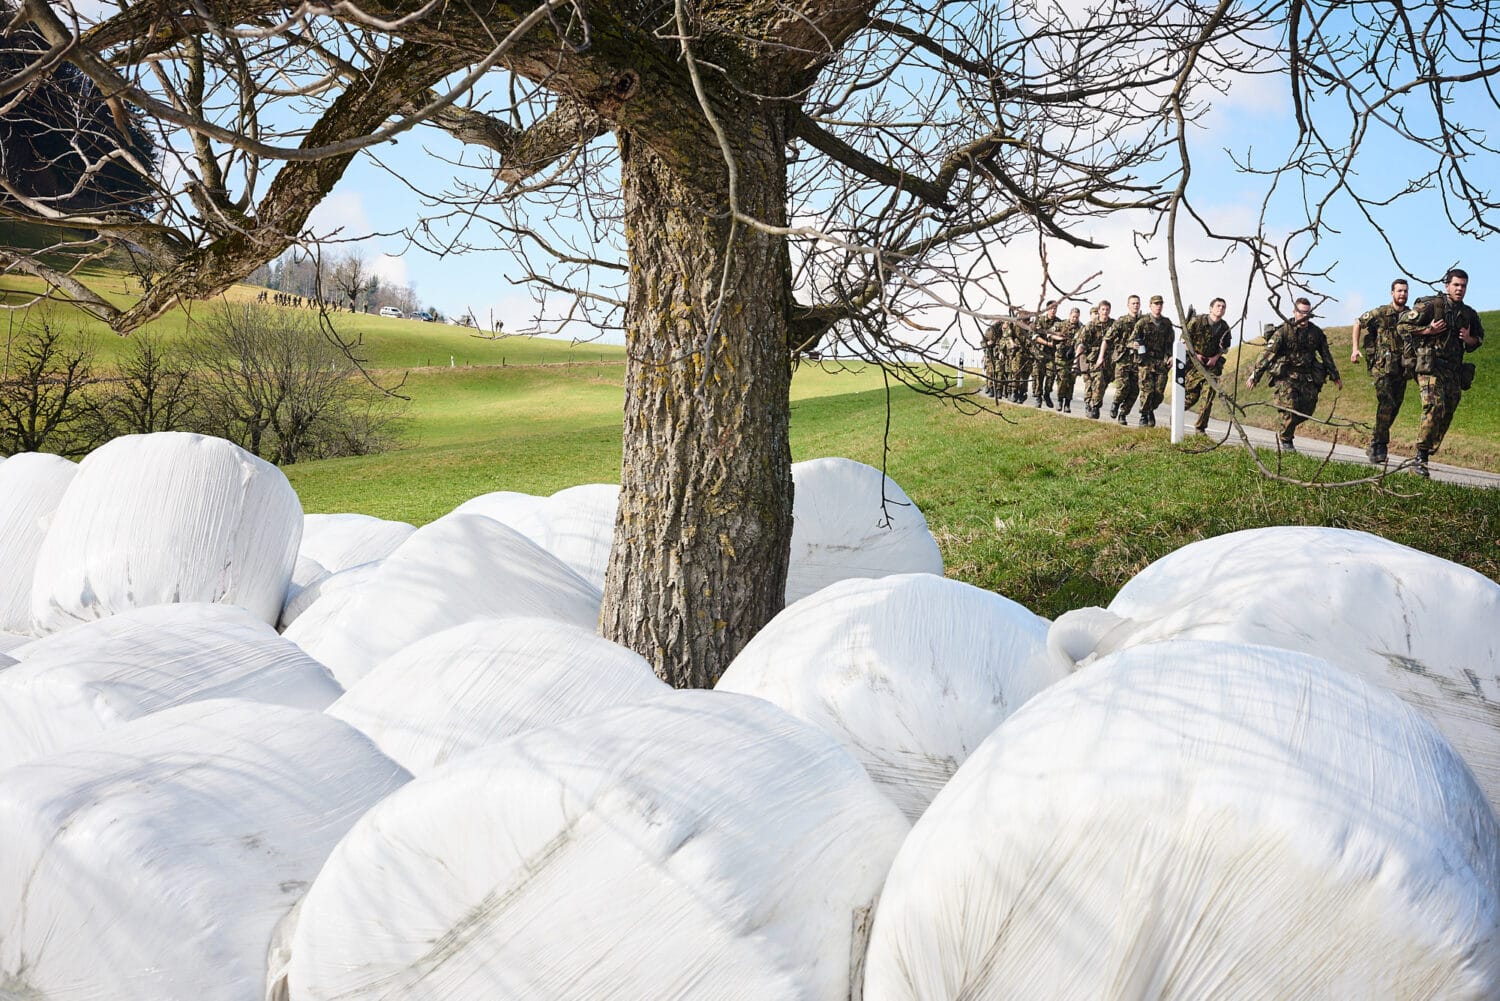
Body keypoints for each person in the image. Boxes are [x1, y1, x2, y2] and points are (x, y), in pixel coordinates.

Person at [1396, 267, 1485, 477]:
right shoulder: (1431, 305)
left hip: (1453, 371)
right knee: (1434, 405)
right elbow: (1402, 325)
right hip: (1430, 366)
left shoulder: (1468, 314)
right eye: (1456, 285)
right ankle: (1420, 457)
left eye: (1463, 286)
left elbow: (1479, 339)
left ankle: (1427, 449)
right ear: (1447, 285)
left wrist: (1470, 339)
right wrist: (1428, 330)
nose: (1460, 289)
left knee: (1448, 410)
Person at [1245, 297, 1343, 448]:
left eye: (1307, 313)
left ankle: (1285, 424)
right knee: (1290, 406)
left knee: (1307, 410)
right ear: (1294, 312)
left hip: (1306, 376)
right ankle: (1286, 440)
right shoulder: (1284, 330)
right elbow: (1267, 354)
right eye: (1301, 312)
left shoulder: (1316, 333)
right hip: (1286, 376)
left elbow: (1326, 355)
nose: (1304, 317)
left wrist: (1335, 376)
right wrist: (1255, 375)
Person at [1351, 278, 1410, 464]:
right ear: (1392, 292)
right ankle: (1381, 445)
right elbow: (1358, 322)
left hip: (1401, 369)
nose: (1402, 294)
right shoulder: (1381, 312)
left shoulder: (1411, 315)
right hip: (1381, 368)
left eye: (1405, 291)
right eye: (1399, 290)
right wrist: (1354, 349)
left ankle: (1374, 442)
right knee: (1386, 403)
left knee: (1394, 407)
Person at [1183, 297, 1233, 433]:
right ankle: (1177, 413)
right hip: (1194, 364)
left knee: (1209, 395)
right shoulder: (1197, 321)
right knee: (1192, 395)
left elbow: (1225, 348)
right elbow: (1184, 340)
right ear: (1211, 308)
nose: (1220, 309)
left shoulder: (1224, 327)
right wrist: (1195, 355)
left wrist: (1215, 358)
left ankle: (1200, 427)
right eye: (1218, 306)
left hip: (1212, 366)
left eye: (1223, 307)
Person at [1129, 294, 1175, 427]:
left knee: (1159, 393)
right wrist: (1134, 345)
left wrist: (1171, 356)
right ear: (1150, 306)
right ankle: (1144, 415)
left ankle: (1150, 410)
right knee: (1147, 390)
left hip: (1161, 362)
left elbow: (1170, 343)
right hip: (1146, 361)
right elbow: (1131, 340)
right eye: (1155, 304)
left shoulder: (1167, 323)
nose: (1158, 306)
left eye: (1160, 304)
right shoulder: (1142, 323)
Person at [1103, 294, 1142, 423]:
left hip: (1138, 361)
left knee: (1135, 390)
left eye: (1137, 303)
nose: (1135, 305)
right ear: (1128, 305)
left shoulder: (1144, 322)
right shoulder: (1121, 321)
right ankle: (1115, 403)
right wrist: (1101, 357)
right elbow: (1107, 339)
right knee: (1123, 386)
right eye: (1133, 303)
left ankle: (1123, 413)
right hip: (1123, 359)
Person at [1076, 300, 1112, 419]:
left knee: (1102, 384)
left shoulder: (1113, 324)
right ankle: (1091, 406)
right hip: (1091, 358)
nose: (1105, 312)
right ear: (1099, 311)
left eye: (1107, 310)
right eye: (1103, 309)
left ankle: (1095, 403)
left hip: (1108, 359)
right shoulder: (1090, 326)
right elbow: (1081, 343)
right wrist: (1076, 361)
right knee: (1093, 381)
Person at [1031, 301, 1060, 408]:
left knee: (1051, 375)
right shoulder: (1040, 320)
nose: (1053, 310)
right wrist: (1048, 343)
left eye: (1055, 308)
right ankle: (1038, 396)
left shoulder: (1058, 322)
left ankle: (1047, 394)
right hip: (1040, 353)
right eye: (1051, 308)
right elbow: (1035, 337)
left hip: (1052, 355)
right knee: (1038, 375)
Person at [1054, 307, 1082, 412]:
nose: (1075, 319)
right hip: (1061, 356)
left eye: (1077, 317)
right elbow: (1049, 333)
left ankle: (1067, 403)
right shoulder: (1061, 324)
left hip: (1073, 357)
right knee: (1062, 378)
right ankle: (1060, 400)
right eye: (1073, 316)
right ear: (1070, 315)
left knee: (1071, 381)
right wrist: (1059, 337)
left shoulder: (1081, 328)